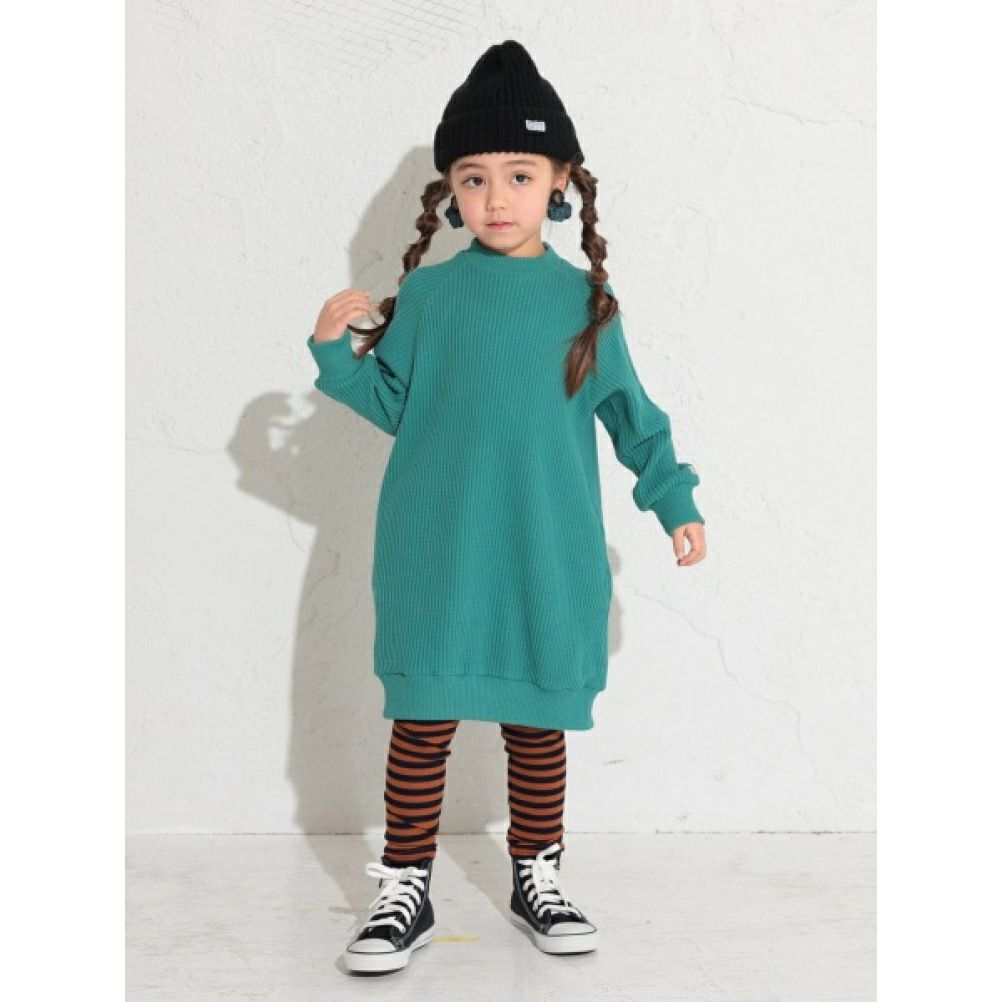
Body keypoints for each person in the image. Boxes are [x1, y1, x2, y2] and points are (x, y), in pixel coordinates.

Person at [306, 39, 707, 975]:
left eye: (520, 175)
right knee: (423, 722)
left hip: (542, 547)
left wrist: (674, 500)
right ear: (450, 190)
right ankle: (405, 884)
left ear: (561, 181)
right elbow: (395, 407)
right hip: (435, 550)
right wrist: (333, 355)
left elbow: (633, 417)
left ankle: (539, 873)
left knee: (537, 724)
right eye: (474, 178)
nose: (496, 197)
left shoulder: (584, 303)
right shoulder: (430, 297)